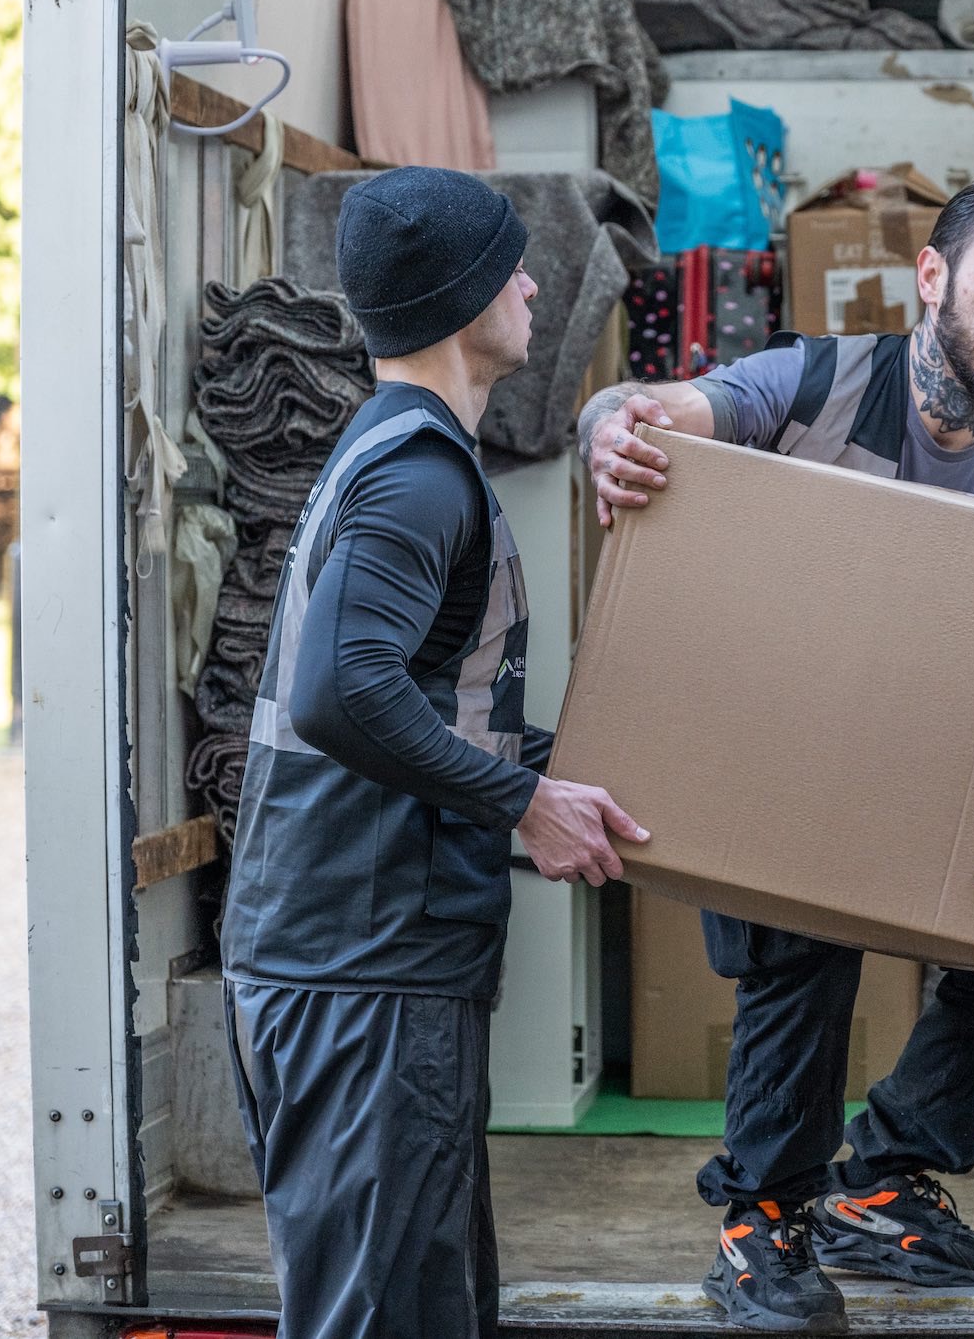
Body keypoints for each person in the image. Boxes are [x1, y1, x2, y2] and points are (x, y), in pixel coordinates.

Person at [576, 175, 974, 1333]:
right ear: (933, 277)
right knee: (803, 919)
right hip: (762, 767)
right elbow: (644, 407)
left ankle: (885, 1181)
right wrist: (615, 431)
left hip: (913, 778)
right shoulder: (809, 384)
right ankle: (760, 1219)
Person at [221, 167, 650, 1339]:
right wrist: (524, 804)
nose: (531, 284)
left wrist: (566, 774)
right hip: (361, 971)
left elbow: (419, 701)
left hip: (369, 965)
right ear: (464, 303)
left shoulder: (405, 454)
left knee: (427, 1307)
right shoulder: (417, 476)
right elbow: (343, 691)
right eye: (510, 267)